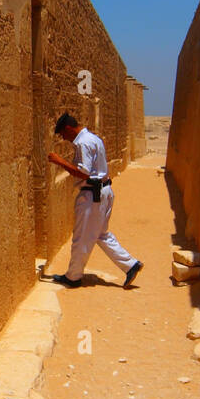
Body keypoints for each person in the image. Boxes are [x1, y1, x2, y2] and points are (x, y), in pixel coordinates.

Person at [47, 112, 143, 288]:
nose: (64, 138)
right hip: (103, 191)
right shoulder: (93, 138)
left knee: (81, 237)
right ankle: (130, 265)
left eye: (63, 134)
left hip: (92, 195)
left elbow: (83, 172)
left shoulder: (83, 143)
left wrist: (59, 161)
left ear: (68, 128)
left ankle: (73, 277)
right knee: (100, 234)